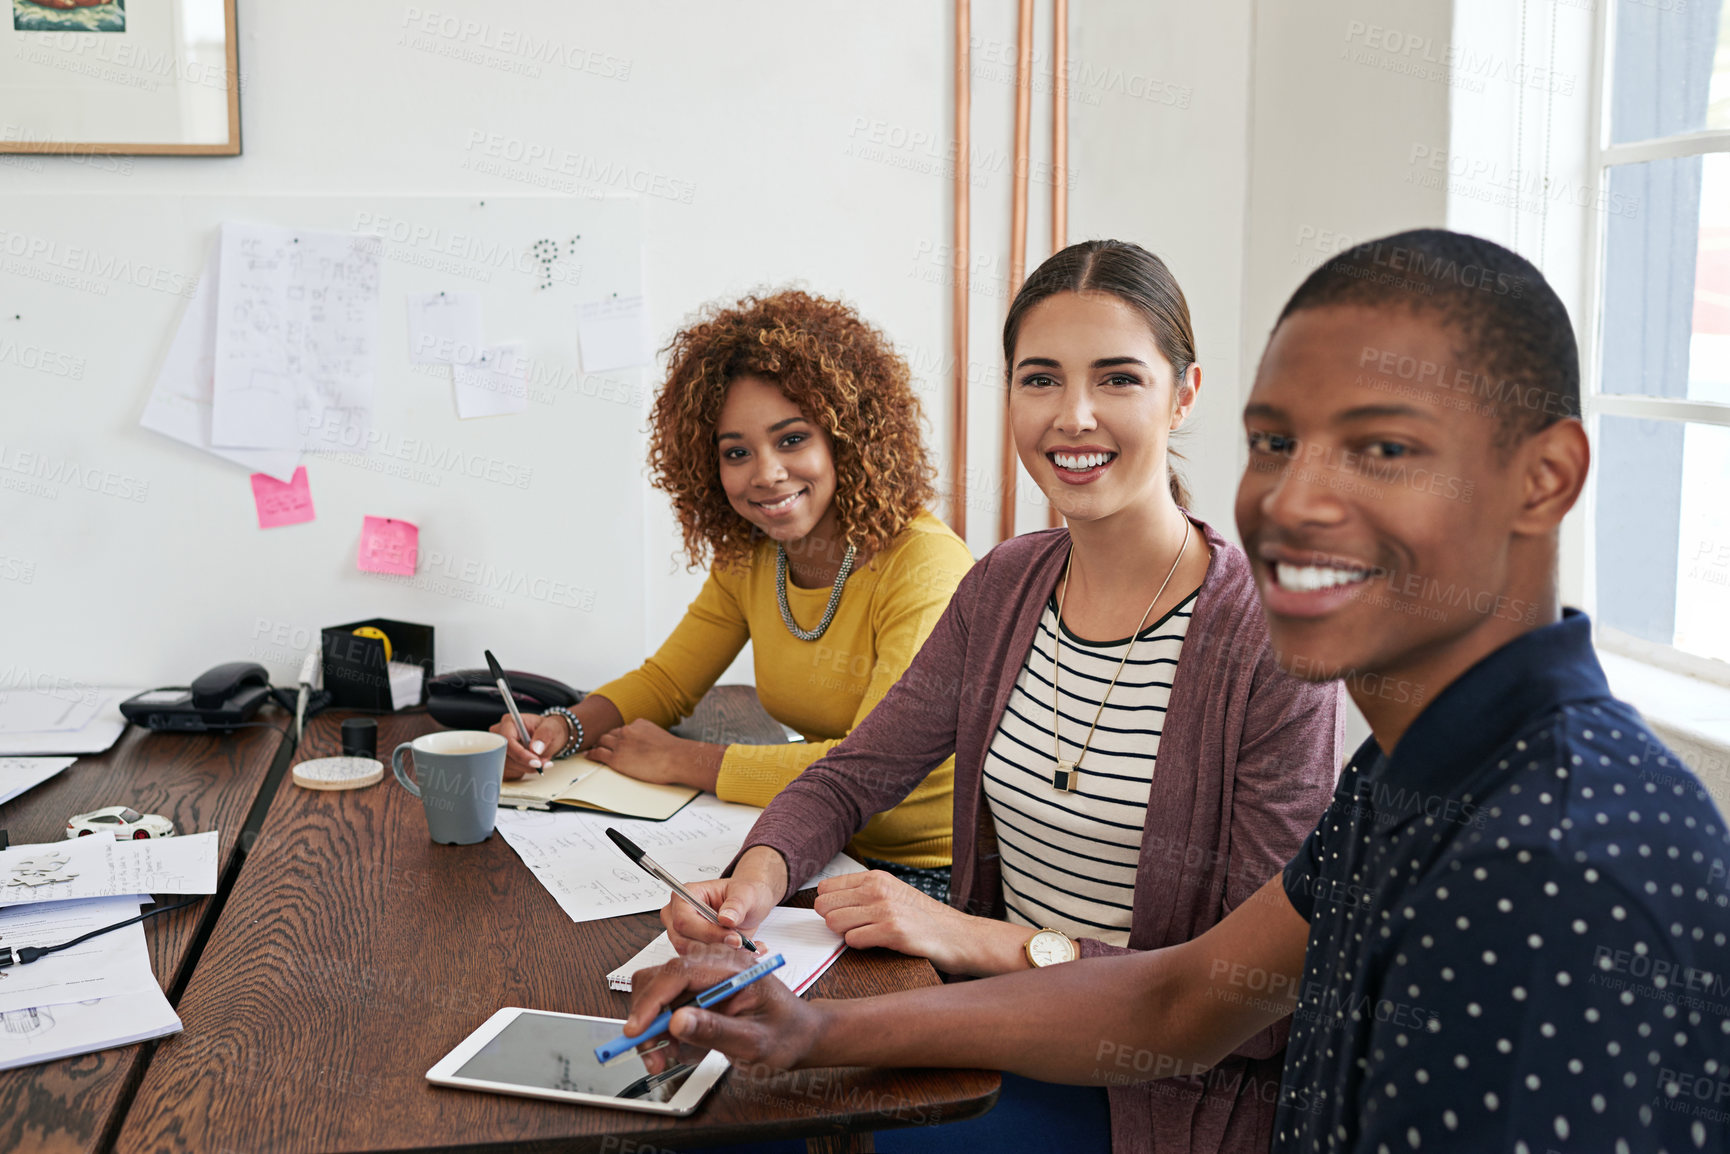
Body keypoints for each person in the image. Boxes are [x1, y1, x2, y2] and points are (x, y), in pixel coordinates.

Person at [627, 230, 1730, 1154]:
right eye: (1275, 443)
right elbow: (1187, 996)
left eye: (1382, 446)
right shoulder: (1407, 766)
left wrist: (969, 942)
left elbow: (1212, 1035)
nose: (1298, 500)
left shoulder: (1562, 849)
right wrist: (804, 1015)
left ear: (1546, 478)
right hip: (1050, 1029)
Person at [658, 240, 1344, 1154]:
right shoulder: (1006, 585)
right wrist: (755, 883)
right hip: (991, 1026)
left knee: (765, 1124)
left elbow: (1250, 1004)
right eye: (1040, 380)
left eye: (1118, 380)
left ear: (1184, 395)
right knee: (700, 1100)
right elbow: (851, 777)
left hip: (1157, 1093)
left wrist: (978, 940)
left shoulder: (1272, 641)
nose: (1075, 417)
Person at [493, 290, 971, 888]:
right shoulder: (751, 557)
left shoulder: (924, 567)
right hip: (814, 838)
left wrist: (684, 760)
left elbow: (874, 769)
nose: (766, 474)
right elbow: (666, 683)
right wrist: (562, 727)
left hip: (930, 870)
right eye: (737, 452)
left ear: (846, 439)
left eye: (792, 439)